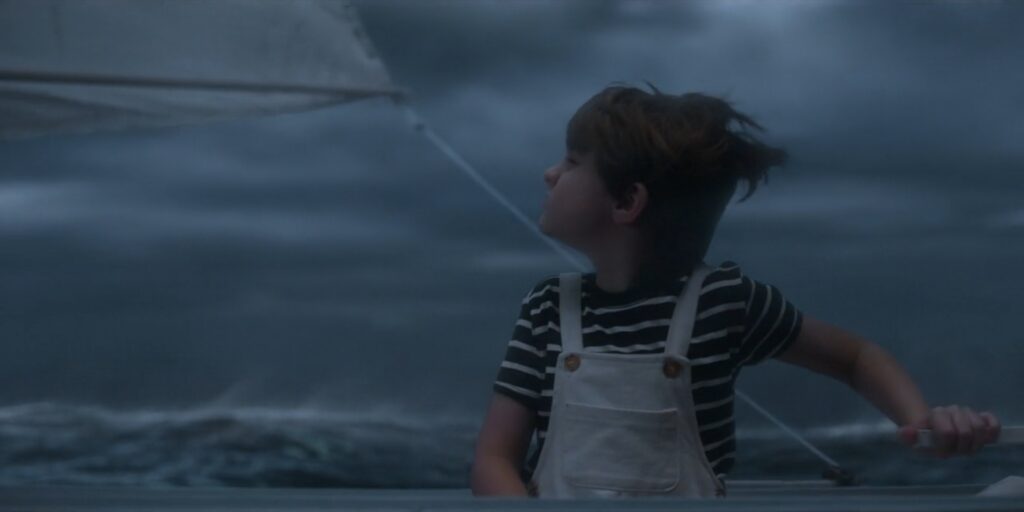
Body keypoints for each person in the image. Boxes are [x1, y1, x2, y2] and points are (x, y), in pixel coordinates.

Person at [469, 81, 1002, 498]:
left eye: (572, 162)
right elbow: (495, 459)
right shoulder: (547, 308)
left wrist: (921, 421)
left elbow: (856, 357)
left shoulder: (725, 303)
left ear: (627, 202)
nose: (549, 173)